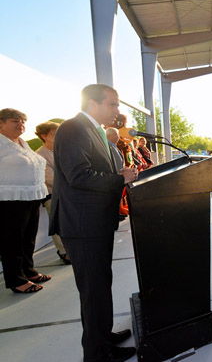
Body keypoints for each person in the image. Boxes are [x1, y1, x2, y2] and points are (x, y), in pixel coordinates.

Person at [49, 84, 138, 362]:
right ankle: (97, 353)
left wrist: (121, 173)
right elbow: (79, 176)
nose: (117, 110)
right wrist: (120, 178)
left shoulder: (93, 129)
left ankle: (102, 334)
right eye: (112, 104)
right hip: (82, 225)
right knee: (93, 290)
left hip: (95, 223)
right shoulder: (73, 128)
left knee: (100, 285)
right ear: (92, 103)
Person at [0, 108, 50, 293]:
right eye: (15, 121)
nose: (21, 125)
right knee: (12, 241)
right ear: (1, 124)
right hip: (10, 198)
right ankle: (16, 280)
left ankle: (28, 271)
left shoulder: (22, 143)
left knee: (28, 238)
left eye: (22, 121)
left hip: (32, 195)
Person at [35, 121, 70, 265]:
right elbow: (50, 180)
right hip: (53, 196)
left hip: (68, 193)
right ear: (43, 136)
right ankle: (64, 252)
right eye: (53, 134)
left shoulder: (61, 149)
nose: (57, 136)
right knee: (58, 225)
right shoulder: (40, 155)